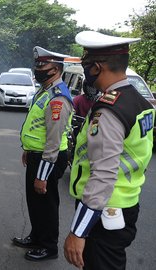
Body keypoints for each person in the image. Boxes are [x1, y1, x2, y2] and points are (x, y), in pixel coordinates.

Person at [64, 31, 154, 270]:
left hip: (103, 211)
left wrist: (78, 231)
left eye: (86, 64)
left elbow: (103, 174)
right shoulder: (140, 102)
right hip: (125, 204)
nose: (85, 70)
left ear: (97, 67)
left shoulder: (110, 110)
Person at [12, 46, 73, 261]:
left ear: (55, 69)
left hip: (49, 159)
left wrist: (42, 175)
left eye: (42, 66)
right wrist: (28, 150)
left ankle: (49, 247)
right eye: (37, 65)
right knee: (35, 202)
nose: (38, 69)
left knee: (46, 204)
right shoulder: (45, 90)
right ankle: (36, 236)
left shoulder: (57, 98)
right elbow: (37, 126)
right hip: (37, 155)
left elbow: (53, 141)